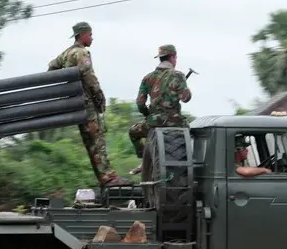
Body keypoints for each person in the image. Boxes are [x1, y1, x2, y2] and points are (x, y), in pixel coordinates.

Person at [47, 21, 131, 187]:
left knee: (89, 143)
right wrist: (99, 97)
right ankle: (109, 178)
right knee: (98, 142)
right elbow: (89, 77)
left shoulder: (66, 53)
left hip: (75, 104)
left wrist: (66, 87)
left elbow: (51, 68)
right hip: (87, 105)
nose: (92, 38)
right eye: (90, 34)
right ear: (83, 34)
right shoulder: (81, 53)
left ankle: (103, 179)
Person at [127, 44, 192, 175]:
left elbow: (140, 103)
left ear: (161, 58)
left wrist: (148, 115)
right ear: (172, 58)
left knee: (133, 132)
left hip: (153, 124)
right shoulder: (178, 76)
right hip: (176, 122)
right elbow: (186, 98)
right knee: (190, 133)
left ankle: (145, 158)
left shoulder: (147, 78)